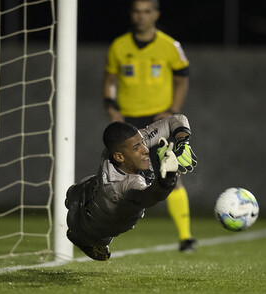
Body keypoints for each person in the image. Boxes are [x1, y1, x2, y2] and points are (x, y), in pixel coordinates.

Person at [103, 0, 196, 252]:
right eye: (137, 11)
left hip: (156, 122)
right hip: (128, 123)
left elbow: (181, 80)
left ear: (155, 14)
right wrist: (112, 108)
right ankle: (105, 234)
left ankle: (186, 238)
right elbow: (110, 80)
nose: (141, 16)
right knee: (118, 180)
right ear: (132, 14)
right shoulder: (119, 46)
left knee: (171, 175)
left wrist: (172, 111)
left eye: (147, 11)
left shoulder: (169, 46)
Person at [65, 115, 197, 261]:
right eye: (137, 147)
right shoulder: (121, 186)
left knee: (77, 190)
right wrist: (169, 176)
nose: (146, 149)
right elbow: (150, 196)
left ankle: (72, 201)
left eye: (142, 143)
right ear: (119, 157)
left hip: (86, 194)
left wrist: (182, 142)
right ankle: (86, 240)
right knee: (102, 235)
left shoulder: (118, 149)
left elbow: (177, 120)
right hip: (96, 230)